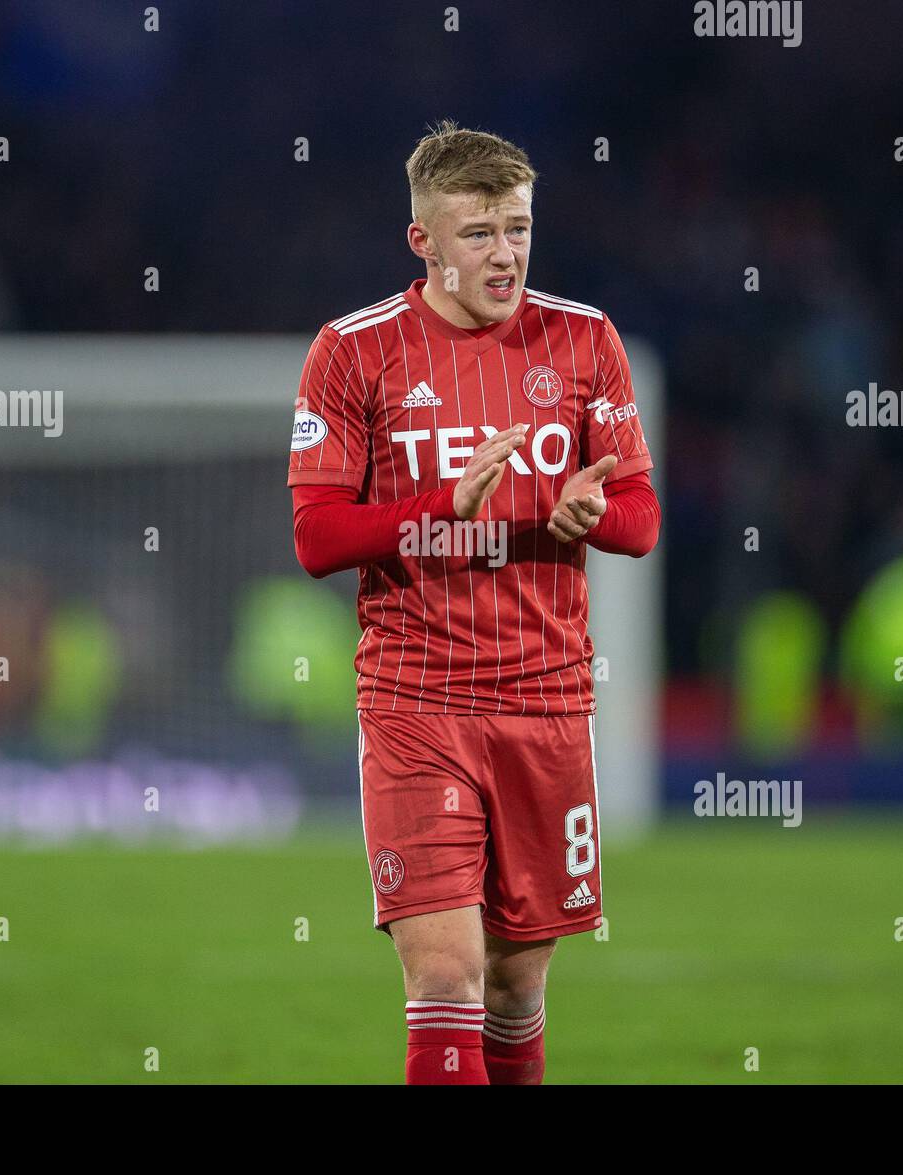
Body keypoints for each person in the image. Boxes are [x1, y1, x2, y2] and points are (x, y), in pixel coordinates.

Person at [287, 120, 660, 1084]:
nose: (507, 254)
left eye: (519, 229)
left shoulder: (584, 340)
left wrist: (591, 513)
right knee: (447, 973)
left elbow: (641, 515)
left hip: (546, 702)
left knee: (514, 984)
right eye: (480, 233)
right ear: (424, 240)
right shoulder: (353, 352)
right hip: (417, 700)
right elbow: (318, 536)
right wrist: (434, 508)